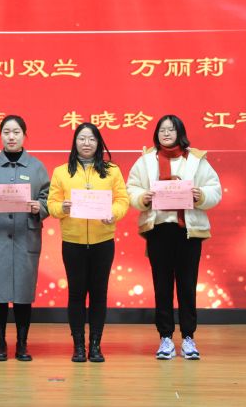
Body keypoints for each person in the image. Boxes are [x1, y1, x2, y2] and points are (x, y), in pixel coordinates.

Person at [126, 114, 222, 360]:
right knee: (162, 285)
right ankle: (165, 337)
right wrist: (142, 197)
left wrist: (201, 195)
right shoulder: (146, 160)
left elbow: (215, 189)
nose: (166, 134)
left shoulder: (196, 160)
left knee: (188, 285)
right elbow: (131, 188)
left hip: (188, 231)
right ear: (156, 134)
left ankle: (189, 337)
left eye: (171, 129)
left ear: (180, 133)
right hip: (159, 230)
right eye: (162, 130)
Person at [48, 122, 129, 362]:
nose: (86, 143)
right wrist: (61, 208)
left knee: (98, 293)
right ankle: (78, 346)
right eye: (82, 138)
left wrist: (113, 213)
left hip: (102, 241)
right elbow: (52, 204)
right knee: (76, 294)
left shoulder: (112, 170)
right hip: (72, 242)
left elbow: (122, 200)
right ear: (75, 142)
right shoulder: (61, 172)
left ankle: (95, 345)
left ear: (99, 143)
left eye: (92, 139)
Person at [0, 115, 50, 362]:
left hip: (25, 237)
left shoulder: (36, 167)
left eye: (16, 132)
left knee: (23, 295)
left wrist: (40, 207)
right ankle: (0, 344)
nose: (11, 137)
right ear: (0, 135)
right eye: (6, 132)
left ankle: (22, 344)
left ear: (25, 135)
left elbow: (49, 197)